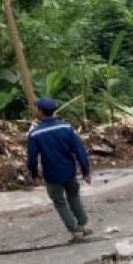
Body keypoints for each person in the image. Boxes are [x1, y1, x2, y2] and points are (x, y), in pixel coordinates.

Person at [27, 97, 93, 240]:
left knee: (60, 202)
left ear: (40, 111)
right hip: (69, 171)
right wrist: (86, 171)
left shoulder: (35, 133)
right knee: (74, 196)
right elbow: (79, 150)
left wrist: (34, 174)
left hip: (51, 175)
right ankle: (82, 224)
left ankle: (75, 230)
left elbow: (32, 158)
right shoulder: (66, 128)